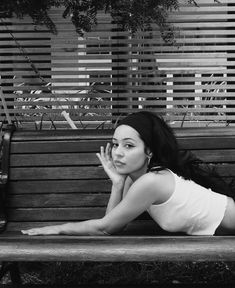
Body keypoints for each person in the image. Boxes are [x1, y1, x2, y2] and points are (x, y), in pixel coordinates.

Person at [22, 111, 235, 236]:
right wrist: (117, 183)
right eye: (115, 145)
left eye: (129, 146)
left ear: (149, 151)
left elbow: (105, 227)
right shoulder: (138, 180)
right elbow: (114, 226)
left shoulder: (152, 181)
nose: (118, 153)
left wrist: (56, 229)